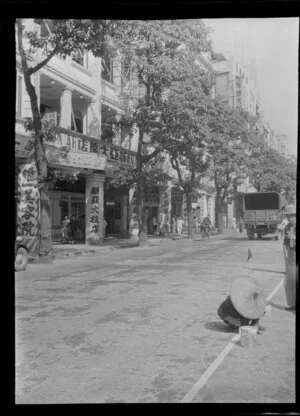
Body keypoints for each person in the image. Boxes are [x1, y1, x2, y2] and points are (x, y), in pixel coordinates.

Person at [281, 205, 296, 311]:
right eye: (287, 216)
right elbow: (286, 243)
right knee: (290, 281)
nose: (288, 218)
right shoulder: (287, 226)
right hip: (291, 256)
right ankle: (293, 304)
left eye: (290, 216)